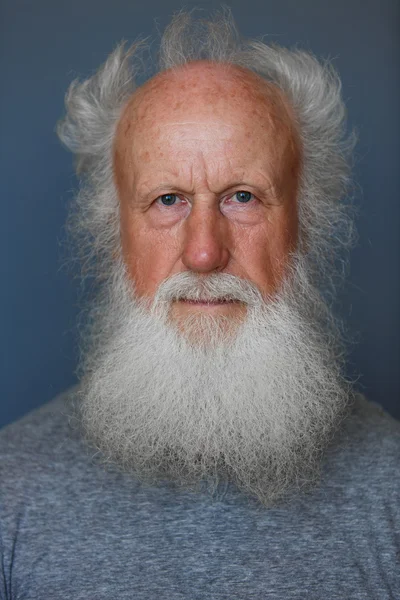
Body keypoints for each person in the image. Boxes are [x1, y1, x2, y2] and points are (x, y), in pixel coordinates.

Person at [1, 10, 399, 599]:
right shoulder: (11, 492)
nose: (205, 252)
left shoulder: (392, 491)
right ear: (115, 235)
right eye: (167, 200)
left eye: (243, 196)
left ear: (304, 225)